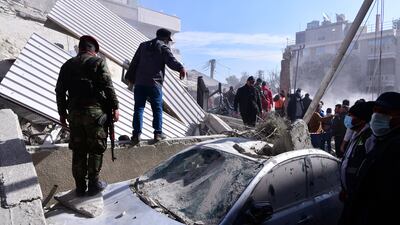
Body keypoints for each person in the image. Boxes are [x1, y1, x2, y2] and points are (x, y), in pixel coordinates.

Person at [55, 35, 120, 196]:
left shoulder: (67, 65)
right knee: (95, 149)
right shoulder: (98, 63)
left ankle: (80, 187)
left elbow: (60, 91)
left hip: (75, 115)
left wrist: (62, 113)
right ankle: (94, 184)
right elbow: (108, 87)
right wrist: (115, 107)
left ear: (81, 48)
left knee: (78, 150)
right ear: (93, 51)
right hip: (95, 114)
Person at [338, 92, 400, 225]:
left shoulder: (392, 146)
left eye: (383, 112)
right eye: (375, 112)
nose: (377, 116)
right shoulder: (380, 139)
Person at [125, 28, 186, 144]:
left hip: (140, 83)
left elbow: (134, 62)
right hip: (154, 83)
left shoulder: (143, 46)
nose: (168, 42)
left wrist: (130, 79)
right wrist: (180, 68)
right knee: (157, 109)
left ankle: (136, 134)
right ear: (165, 38)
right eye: (168, 40)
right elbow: (171, 61)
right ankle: (158, 133)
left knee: (139, 108)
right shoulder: (163, 47)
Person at [338, 101, 373, 225]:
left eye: (351, 116)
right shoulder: (357, 134)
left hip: (359, 199)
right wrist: (345, 188)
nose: (348, 118)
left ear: (361, 120)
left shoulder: (369, 138)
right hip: (350, 195)